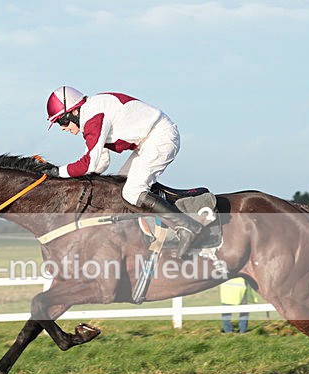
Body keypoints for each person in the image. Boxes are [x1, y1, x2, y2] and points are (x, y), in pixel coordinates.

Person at [44, 86, 202, 258]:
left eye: (62, 121)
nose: (62, 128)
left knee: (132, 192)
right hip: (149, 141)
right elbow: (100, 163)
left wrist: (56, 172)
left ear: (73, 112)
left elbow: (89, 164)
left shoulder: (94, 118)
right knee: (119, 188)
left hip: (160, 138)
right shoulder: (92, 114)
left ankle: (187, 226)